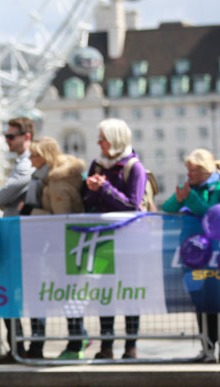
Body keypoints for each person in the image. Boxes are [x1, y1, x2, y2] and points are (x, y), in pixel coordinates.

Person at [82, 118, 145, 359]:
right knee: (104, 293)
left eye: (103, 138)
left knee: (129, 292)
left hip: (129, 243)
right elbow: (87, 201)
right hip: (102, 240)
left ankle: (131, 344)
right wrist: (90, 189)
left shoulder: (133, 167)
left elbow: (132, 205)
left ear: (116, 139)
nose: (99, 143)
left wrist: (105, 189)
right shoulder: (97, 165)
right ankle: (106, 344)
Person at [162, 149, 220, 362]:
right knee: (198, 301)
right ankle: (206, 347)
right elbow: (167, 208)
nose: (189, 174)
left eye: (193, 170)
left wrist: (190, 198)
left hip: (214, 254)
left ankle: (216, 347)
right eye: (188, 170)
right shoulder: (189, 189)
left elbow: (213, 213)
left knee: (213, 301)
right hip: (191, 253)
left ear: (205, 171)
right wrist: (179, 198)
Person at [25, 137, 87, 359]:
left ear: (46, 156)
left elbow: (61, 219)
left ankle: (76, 342)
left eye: (34, 156)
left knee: (69, 295)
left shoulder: (58, 182)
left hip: (64, 246)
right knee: (69, 295)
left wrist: (33, 214)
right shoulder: (53, 177)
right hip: (64, 245)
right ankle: (78, 338)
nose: (31, 161)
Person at [0, 117, 41, 359]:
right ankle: (22, 346)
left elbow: (3, 196)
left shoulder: (27, 163)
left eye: (11, 136)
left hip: (23, 241)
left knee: (15, 292)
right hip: (19, 239)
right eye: (6, 136)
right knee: (15, 293)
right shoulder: (22, 162)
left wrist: (1, 193)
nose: (7, 140)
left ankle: (26, 347)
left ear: (27, 136)